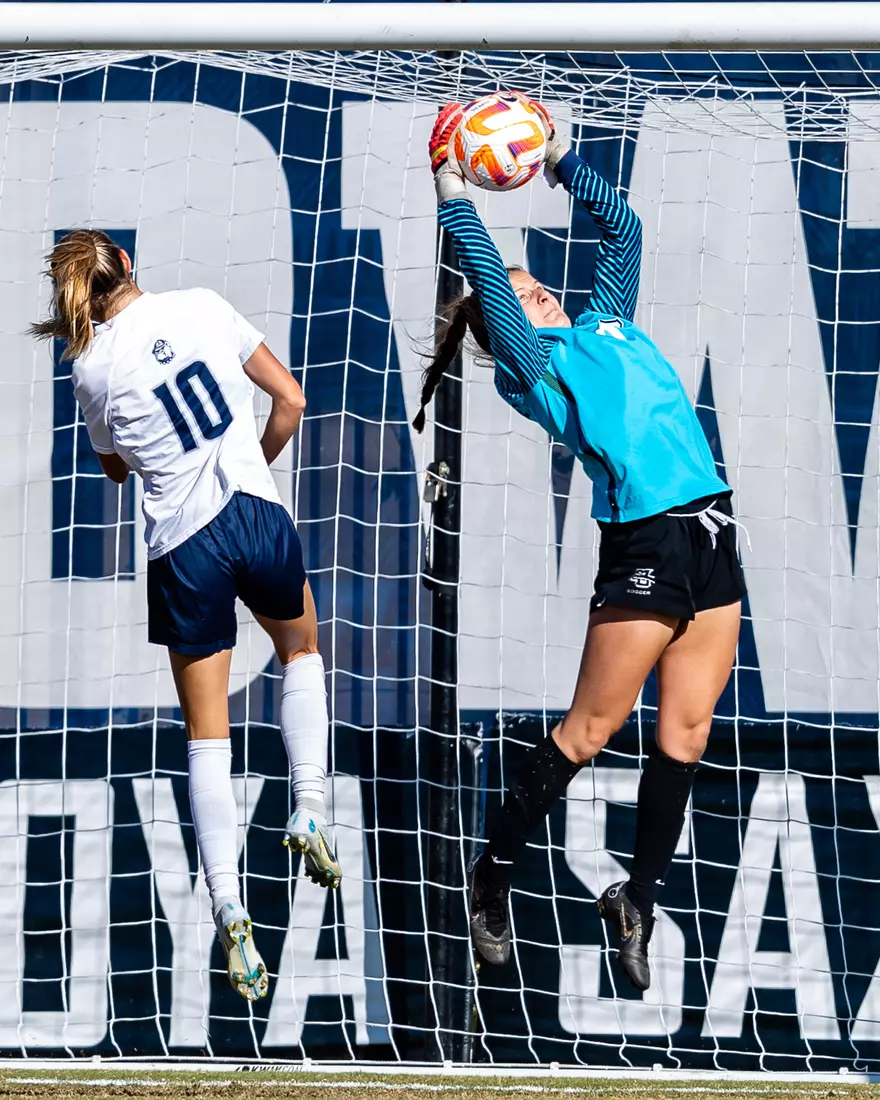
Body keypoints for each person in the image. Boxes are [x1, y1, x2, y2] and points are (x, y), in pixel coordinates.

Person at [418, 95, 746, 992]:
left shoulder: (606, 321)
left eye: (535, 282)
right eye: (522, 293)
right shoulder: (536, 367)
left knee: (686, 733)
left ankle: (637, 900)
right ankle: (492, 875)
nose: (537, 288)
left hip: (713, 529)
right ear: (505, 327)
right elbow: (488, 276)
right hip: (644, 536)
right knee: (590, 729)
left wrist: (560, 155)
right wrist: (454, 188)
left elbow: (623, 227)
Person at [31, 231, 342, 1003]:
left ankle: (230, 909)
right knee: (301, 652)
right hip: (254, 513)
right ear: (129, 266)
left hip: (184, 546)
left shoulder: (90, 369)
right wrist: (252, 471)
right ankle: (309, 807)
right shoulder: (202, 305)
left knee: (208, 737)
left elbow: (113, 468)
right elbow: (293, 399)